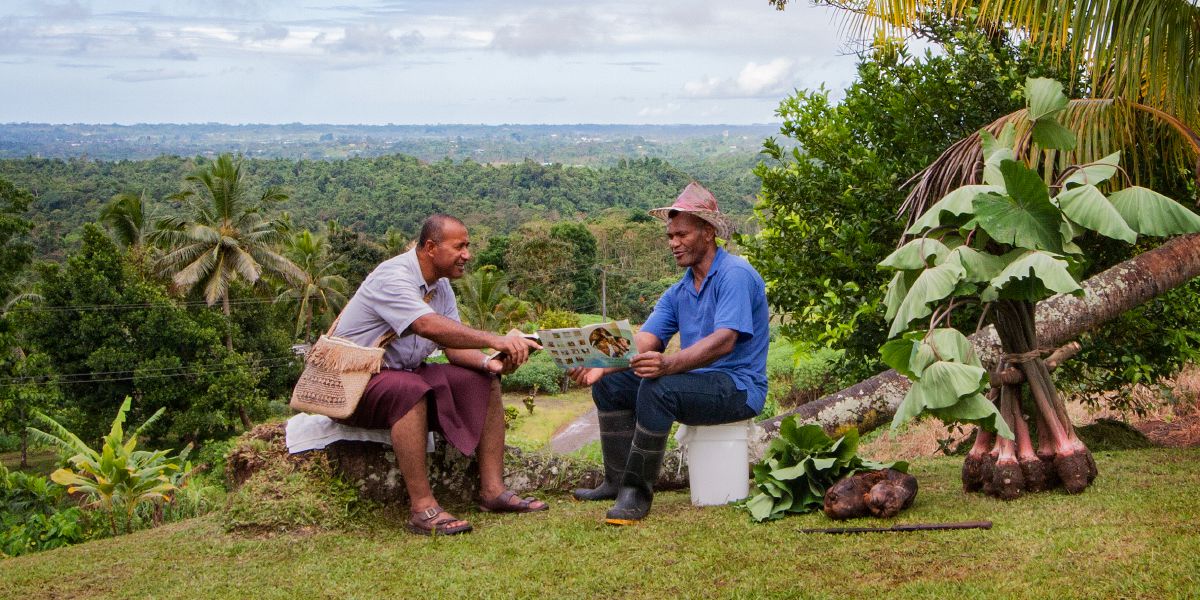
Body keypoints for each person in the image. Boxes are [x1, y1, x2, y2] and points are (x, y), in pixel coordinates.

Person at [569, 181, 769, 525]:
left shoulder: (734, 274)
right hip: (698, 382)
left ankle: (636, 492)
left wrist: (669, 364)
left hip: (738, 388)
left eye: (682, 235)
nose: (673, 243)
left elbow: (724, 341)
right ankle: (616, 481)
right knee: (611, 386)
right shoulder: (679, 291)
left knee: (657, 387)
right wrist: (601, 365)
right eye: (670, 236)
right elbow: (647, 338)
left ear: (708, 233)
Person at [332, 214, 546, 536]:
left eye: (468, 246)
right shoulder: (394, 277)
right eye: (459, 246)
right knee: (409, 389)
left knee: (482, 381)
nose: (467, 255)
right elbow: (426, 325)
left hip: (406, 372)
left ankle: (493, 491)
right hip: (358, 380)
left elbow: (453, 346)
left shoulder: (441, 286)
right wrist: (494, 339)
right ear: (431, 247)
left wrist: (491, 362)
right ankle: (422, 508)